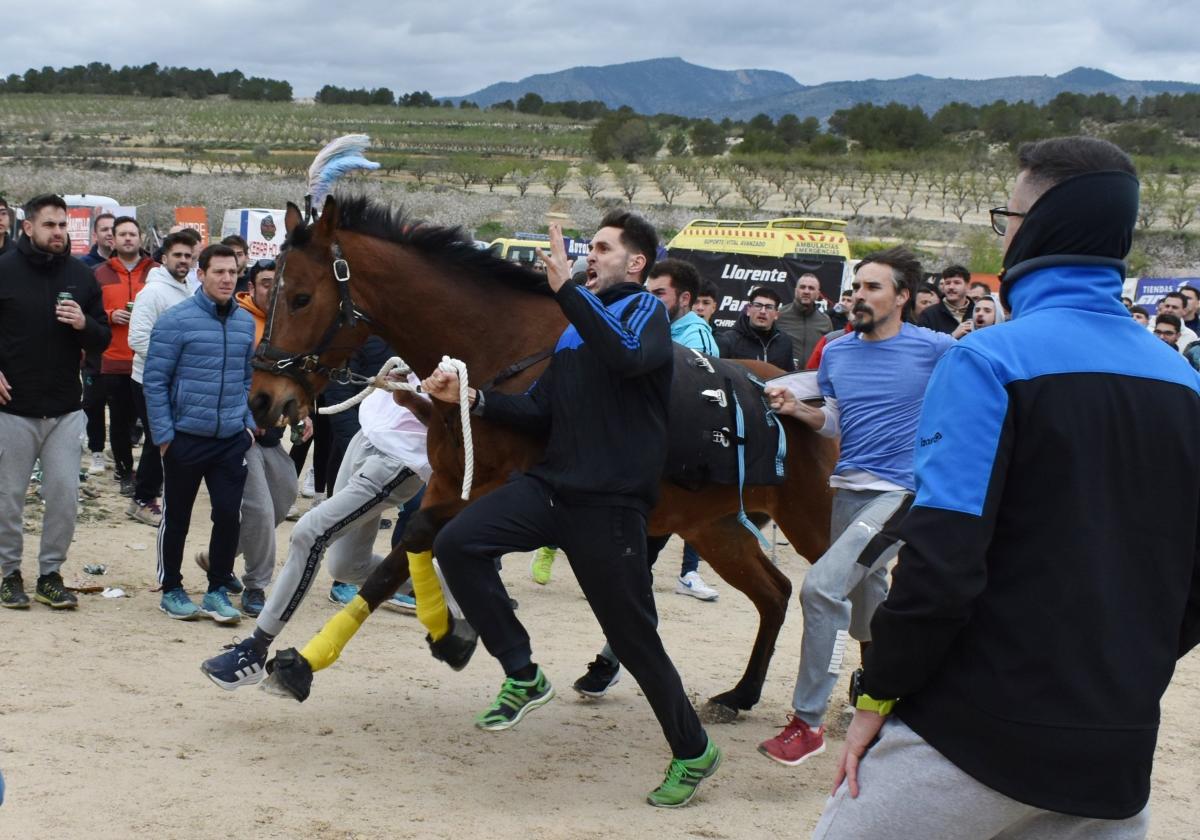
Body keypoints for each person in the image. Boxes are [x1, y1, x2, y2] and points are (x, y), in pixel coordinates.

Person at [813, 136, 1199, 839]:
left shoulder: (988, 359)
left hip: (971, 734)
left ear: (1043, 225)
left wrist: (878, 693)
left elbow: (942, 560)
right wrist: (1120, 669)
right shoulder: (1189, 385)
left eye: (1009, 217)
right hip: (1115, 750)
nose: (1006, 233)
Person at [427, 213, 721, 808]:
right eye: (591, 248)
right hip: (551, 488)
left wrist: (565, 291)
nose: (591, 255)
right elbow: (540, 411)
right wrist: (474, 399)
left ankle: (693, 752)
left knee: (634, 642)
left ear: (636, 264)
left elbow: (630, 359)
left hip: (609, 507)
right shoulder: (571, 331)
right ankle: (523, 672)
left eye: (605, 249)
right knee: (457, 543)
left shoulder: (646, 315)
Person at [757, 247, 954, 767]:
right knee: (867, 605)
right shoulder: (838, 352)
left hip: (900, 494)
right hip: (846, 491)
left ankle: (808, 723)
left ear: (903, 297)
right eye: (855, 289)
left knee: (822, 587)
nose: (857, 298)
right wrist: (799, 409)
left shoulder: (935, 348)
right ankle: (889, 693)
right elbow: (839, 421)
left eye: (872, 289)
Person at [200, 385, 444, 688]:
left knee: (309, 532)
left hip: (400, 460)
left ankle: (254, 649)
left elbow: (458, 422)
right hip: (366, 436)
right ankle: (451, 585)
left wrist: (414, 400)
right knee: (347, 567)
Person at [0, 195, 111, 610]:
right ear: (28, 227)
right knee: (8, 497)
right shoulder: (4, 270)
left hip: (65, 409)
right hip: (12, 409)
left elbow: (102, 337)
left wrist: (85, 324)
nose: (59, 233)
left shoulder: (81, 276)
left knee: (64, 495)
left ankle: (50, 574)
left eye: (63, 225)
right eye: (50, 225)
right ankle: (9, 574)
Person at [143, 243, 256, 623]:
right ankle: (171, 588)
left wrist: (248, 426)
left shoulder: (243, 323)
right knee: (177, 516)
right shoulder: (176, 320)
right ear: (201, 274)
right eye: (219, 272)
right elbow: (155, 381)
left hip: (230, 439)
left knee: (228, 516)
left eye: (233, 272)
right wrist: (163, 435)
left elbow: (246, 378)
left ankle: (216, 590)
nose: (227, 279)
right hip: (184, 438)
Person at [190, 258, 300, 617]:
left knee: (284, 499)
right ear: (250, 287)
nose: (274, 290)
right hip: (242, 433)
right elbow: (228, 378)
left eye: (279, 284)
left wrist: (303, 413)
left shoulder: (289, 325)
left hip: (274, 433)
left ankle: (217, 557)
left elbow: (293, 378)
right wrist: (244, 420)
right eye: (267, 283)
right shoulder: (239, 322)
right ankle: (256, 587)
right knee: (259, 510)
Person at [127, 232, 196, 527]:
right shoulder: (152, 293)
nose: (183, 260)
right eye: (177, 255)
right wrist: (173, 361)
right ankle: (142, 500)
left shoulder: (189, 288)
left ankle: (152, 493)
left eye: (188, 256)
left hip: (177, 382)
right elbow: (137, 338)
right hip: (149, 381)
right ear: (164, 257)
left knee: (167, 439)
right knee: (159, 439)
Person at [93, 216, 157, 496]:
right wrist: (109, 315)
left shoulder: (155, 272)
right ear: (113, 240)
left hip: (150, 362)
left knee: (150, 426)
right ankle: (124, 472)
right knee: (119, 424)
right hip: (115, 360)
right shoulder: (99, 273)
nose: (128, 238)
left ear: (140, 238)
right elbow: (89, 311)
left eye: (133, 233)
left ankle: (148, 476)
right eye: (123, 234)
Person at [716, 286, 795, 370]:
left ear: (776, 315)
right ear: (748, 310)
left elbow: (789, 378)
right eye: (758, 305)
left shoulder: (784, 342)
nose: (763, 311)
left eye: (769, 307)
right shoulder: (728, 340)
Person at [776, 273, 832, 368]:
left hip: (812, 378)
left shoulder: (825, 321)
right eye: (802, 287)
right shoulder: (779, 315)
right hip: (783, 377)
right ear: (795, 291)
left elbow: (829, 352)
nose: (806, 291)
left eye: (811, 288)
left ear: (818, 294)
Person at [919, 264, 973, 337]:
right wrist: (952, 336)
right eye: (947, 283)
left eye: (957, 283)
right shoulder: (929, 314)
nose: (951, 287)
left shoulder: (977, 312)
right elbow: (924, 345)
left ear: (967, 286)